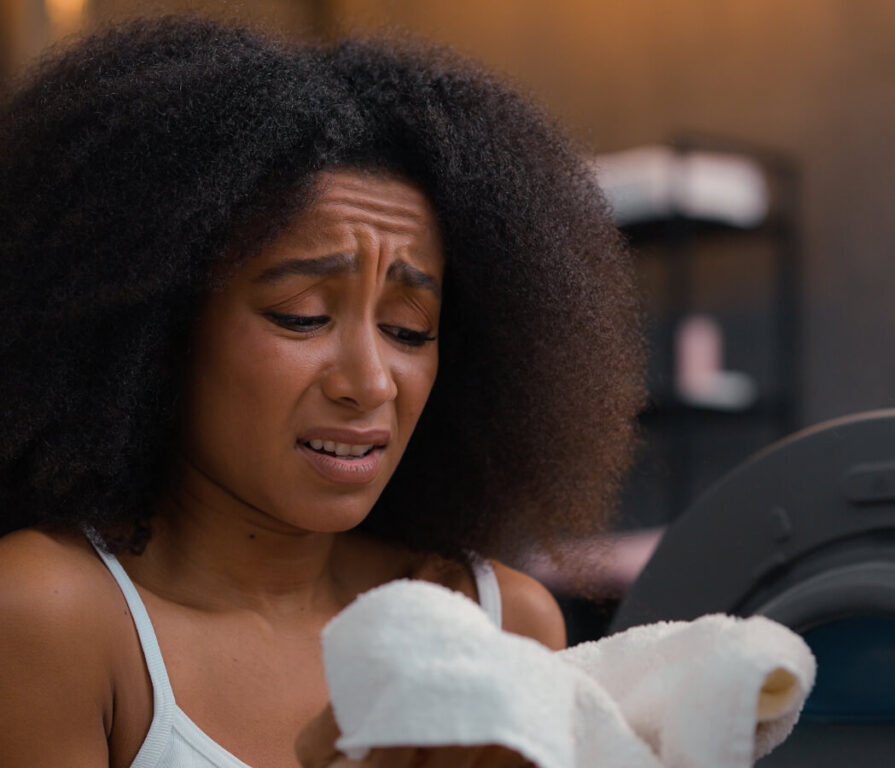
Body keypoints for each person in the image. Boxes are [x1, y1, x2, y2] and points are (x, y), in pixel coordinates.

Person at [0, 16, 646, 768]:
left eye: (409, 330)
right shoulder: (49, 615)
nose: (370, 382)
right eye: (300, 317)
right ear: (156, 329)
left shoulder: (496, 623)